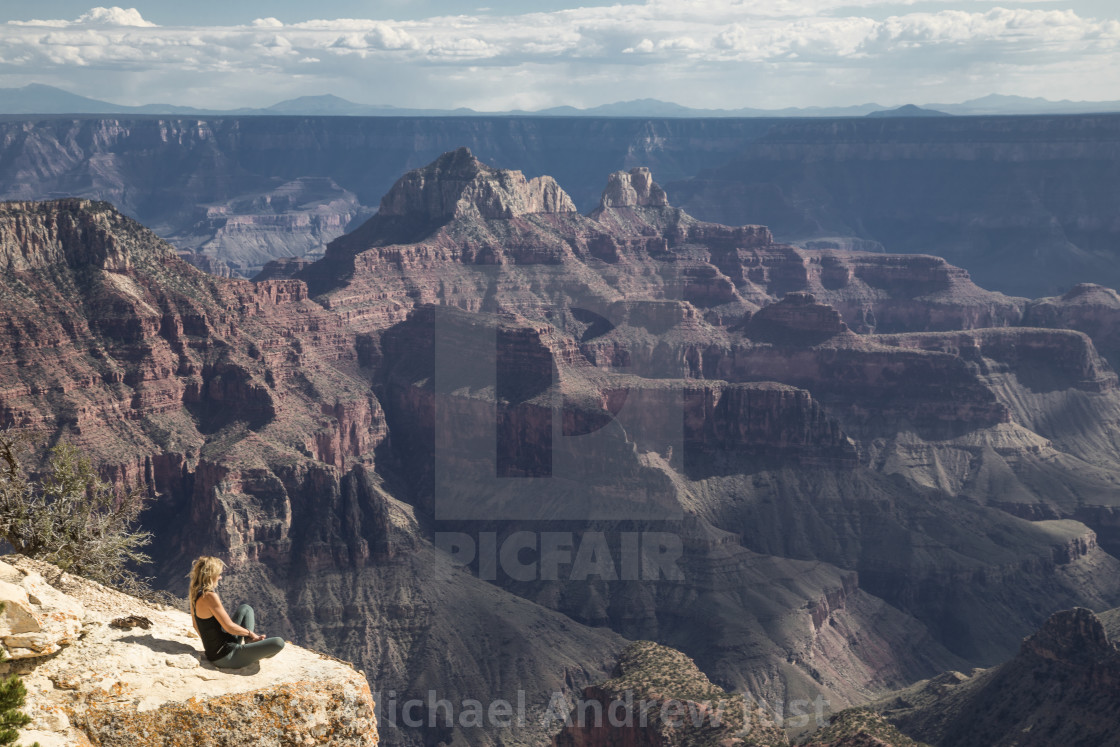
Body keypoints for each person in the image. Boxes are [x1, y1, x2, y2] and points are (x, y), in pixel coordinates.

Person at [188, 556, 285, 669]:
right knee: (278, 643)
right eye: (219, 574)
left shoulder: (195, 593)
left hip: (220, 648)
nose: (220, 577)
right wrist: (250, 633)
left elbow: (196, 625)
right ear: (211, 576)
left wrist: (211, 645)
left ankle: (250, 643)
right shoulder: (209, 596)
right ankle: (252, 644)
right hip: (226, 656)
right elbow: (229, 627)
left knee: (245, 608)